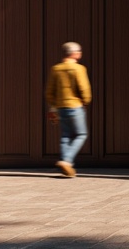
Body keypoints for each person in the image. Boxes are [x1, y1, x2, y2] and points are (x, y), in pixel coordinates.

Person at [45, 41, 91, 177]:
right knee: (81, 134)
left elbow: (49, 91)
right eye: (79, 51)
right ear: (74, 53)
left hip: (61, 107)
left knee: (66, 135)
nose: (80, 54)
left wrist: (54, 104)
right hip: (75, 106)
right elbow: (84, 88)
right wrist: (86, 101)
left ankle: (66, 162)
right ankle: (67, 161)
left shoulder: (56, 69)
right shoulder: (79, 69)